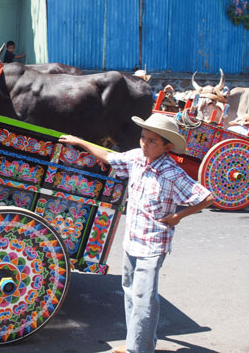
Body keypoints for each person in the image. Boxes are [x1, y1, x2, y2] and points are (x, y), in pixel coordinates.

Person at [59, 113, 214, 353]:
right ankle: (139, 343)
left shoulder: (172, 173)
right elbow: (110, 157)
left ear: (167, 146)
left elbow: (206, 198)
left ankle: (138, 350)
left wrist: (177, 217)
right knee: (131, 294)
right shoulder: (136, 159)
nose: (145, 143)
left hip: (152, 245)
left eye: (152, 141)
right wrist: (80, 142)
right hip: (132, 240)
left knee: (144, 301)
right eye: (143, 138)